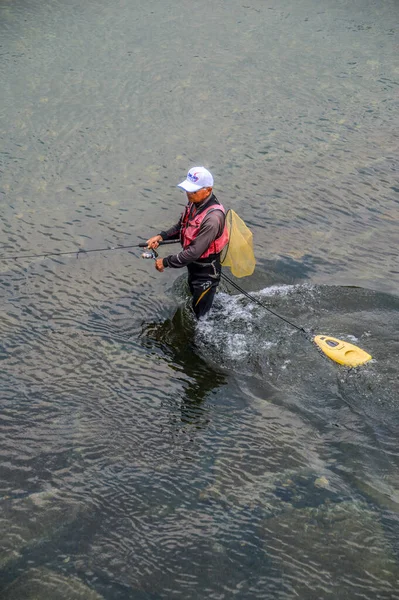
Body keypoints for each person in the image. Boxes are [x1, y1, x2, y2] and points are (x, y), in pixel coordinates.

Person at [146, 167, 229, 319]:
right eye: (188, 189)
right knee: (196, 302)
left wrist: (165, 262)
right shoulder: (193, 204)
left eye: (193, 191)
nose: (188, 193)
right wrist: (161, 237)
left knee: (201, 318)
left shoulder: (213, 219)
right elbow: (181, 227)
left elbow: (194, 252)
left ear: (208, 190)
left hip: (206, 273)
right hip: (194, 268)